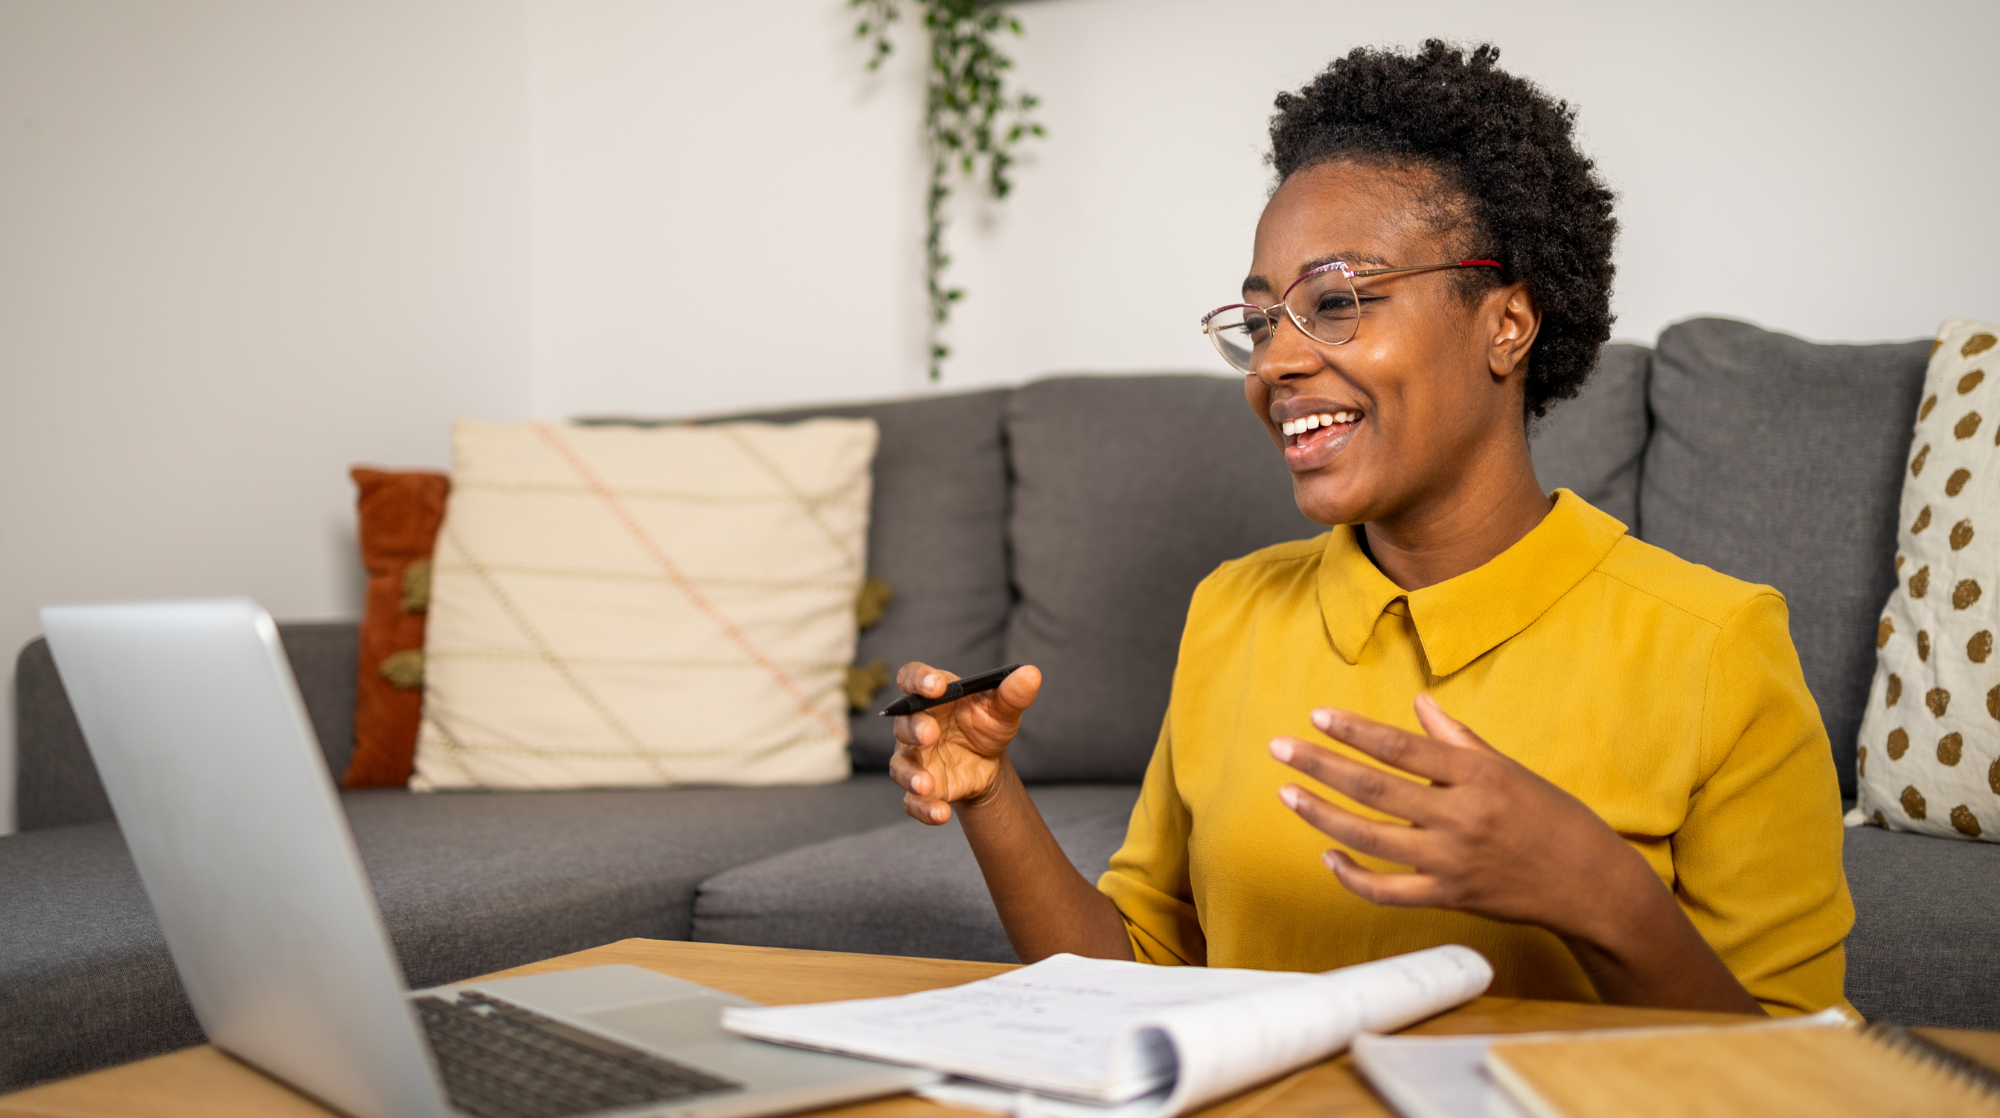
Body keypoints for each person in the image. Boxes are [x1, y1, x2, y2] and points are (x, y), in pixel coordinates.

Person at [888, 41, 1852, 1015]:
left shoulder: (1716, 649)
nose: (1276, 364)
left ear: (1505, 322)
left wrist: (1595, 890)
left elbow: (1801, 1071)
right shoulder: (1234, 610)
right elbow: (1132, 982)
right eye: (1261, 322)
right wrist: (989, 794)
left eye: (1336, 302)